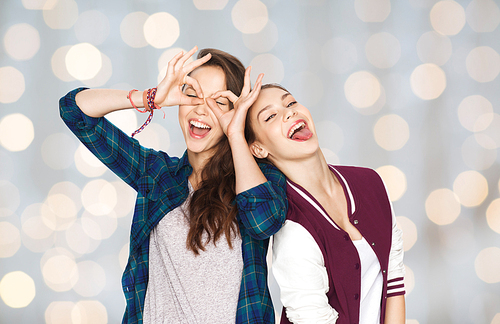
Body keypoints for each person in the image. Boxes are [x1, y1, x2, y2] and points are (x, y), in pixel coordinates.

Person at [59, 47, 287, 324]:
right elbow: (74, 110)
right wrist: (149, 98)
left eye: (220, 102)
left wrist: (236, 134)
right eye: (192, 94)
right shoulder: (157, 174)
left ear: (236, 112)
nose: (201, 108)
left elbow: (264, 222)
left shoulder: (259, 178)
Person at [241, 84, 406, 324]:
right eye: (271, 116)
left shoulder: (371, 183)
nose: (289, 112)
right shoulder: (292, 227)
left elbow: (394, 281)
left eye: (290, 103)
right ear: (258, 148)